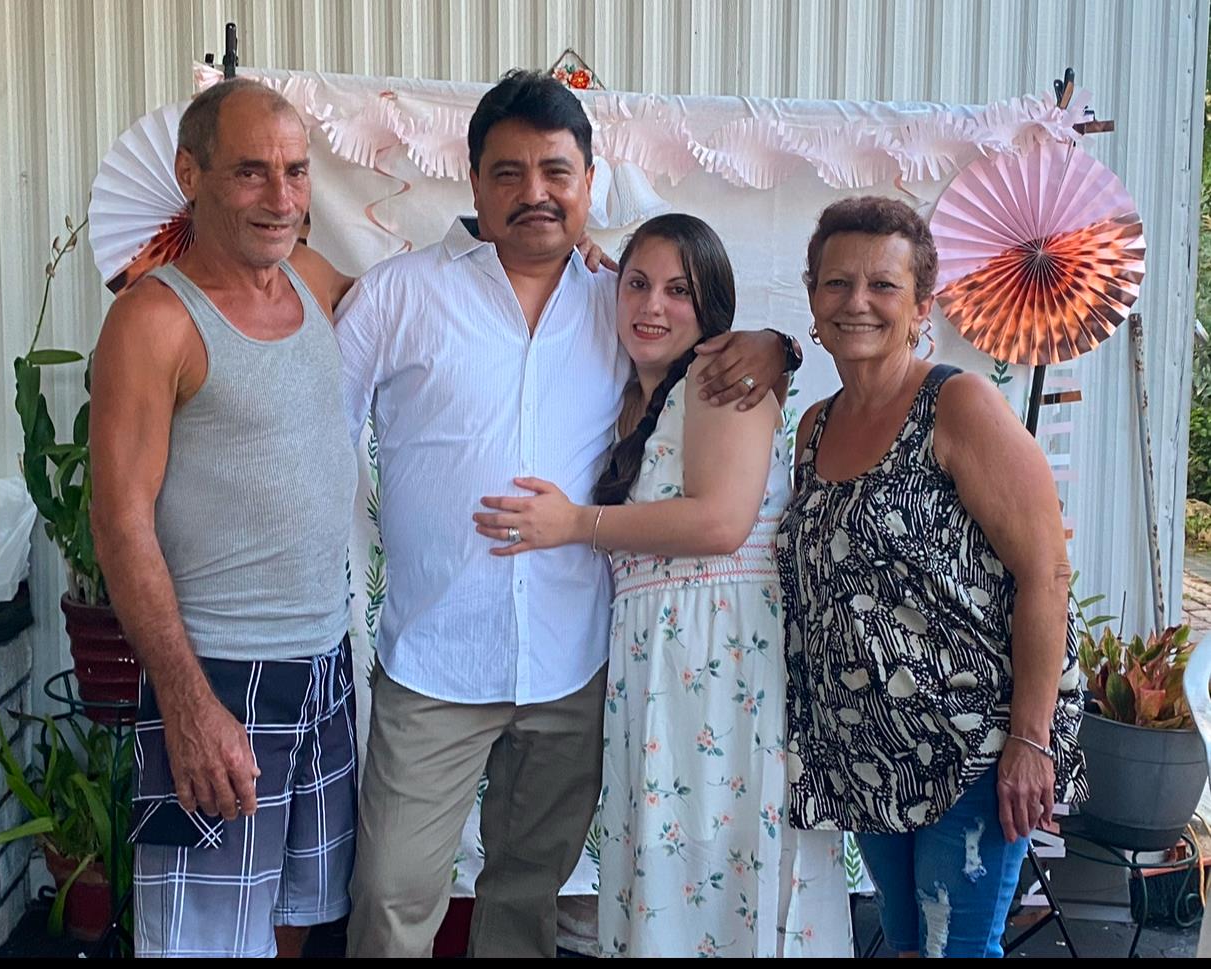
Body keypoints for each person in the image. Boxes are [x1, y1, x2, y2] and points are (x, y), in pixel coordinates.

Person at [334, 70, 793, 958]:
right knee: (393, 893)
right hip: (436, 660)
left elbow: (715, 341)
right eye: (508, 172)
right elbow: (324, 432)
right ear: (472, 182)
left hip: (571, 663)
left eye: (556, 171)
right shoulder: (401, 295)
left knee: (525, 893)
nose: (534, 193)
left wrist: (777, 343)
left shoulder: (621, 303)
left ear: (590, 181)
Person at [471, 213, 851, 957]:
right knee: (672, 866)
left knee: (718, 863)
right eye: (637, 285)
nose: (652, 306)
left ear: (711, 308)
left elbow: (719, 521)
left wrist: (578, 523)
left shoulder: (716, 385)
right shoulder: (633, 398)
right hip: (661, 674)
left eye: (680, 291)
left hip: (724, 670)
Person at [90, 78, 360, 958]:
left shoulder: (311, 281)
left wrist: (577, 252)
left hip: (323, 663)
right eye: (251, 172)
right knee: (202, 941)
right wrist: (186, 703)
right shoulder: (155, 319)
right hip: (219, 676)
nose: (281, 198)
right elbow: (119, 519)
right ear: (190, 173)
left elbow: (434, 307)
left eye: (295, 170)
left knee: (293, 917)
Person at [777, 196, 1087, 958]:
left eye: (883, 286)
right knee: (910, 942)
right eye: (836, 283)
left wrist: (1031, 740)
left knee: (958, 947)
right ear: (812, 300)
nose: (857, 302)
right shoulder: (813, 425)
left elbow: (1045, 572)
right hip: (869, 751)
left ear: (922, 306)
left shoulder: (958, 403)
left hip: (973, 745)